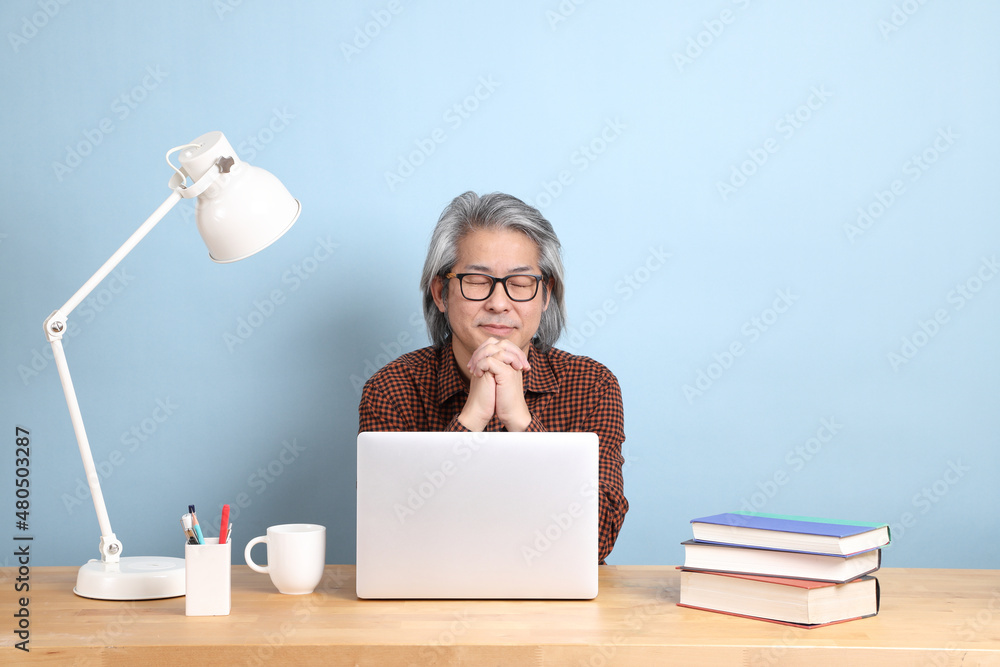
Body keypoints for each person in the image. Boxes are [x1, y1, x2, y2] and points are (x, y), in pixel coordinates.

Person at [358, 191, 628, 563]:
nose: (499, 303)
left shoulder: (592, 385)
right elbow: (387, 536)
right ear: (441, 292)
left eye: (519, 284)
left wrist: (521, 421)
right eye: (477, 280)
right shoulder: (391, 389)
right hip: (426, 604)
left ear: (545, 295)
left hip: (556, 610)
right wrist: (471, 419)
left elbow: (598, 538)